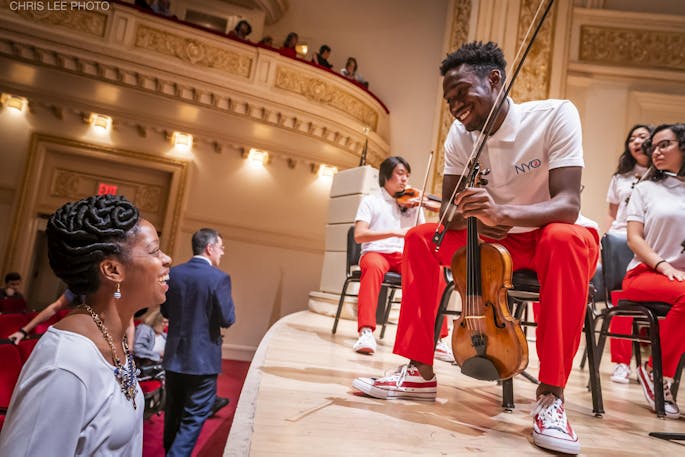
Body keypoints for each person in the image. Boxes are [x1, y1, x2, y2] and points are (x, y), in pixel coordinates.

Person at [352, 41, 599, 455]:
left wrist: (503, 213)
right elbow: (448, 213)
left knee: (565, 238)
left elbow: (568, 205)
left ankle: (551, 396)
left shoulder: (556, 115)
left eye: (462, 93)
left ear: (494, 79)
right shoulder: (461, 136)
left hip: (545, 236)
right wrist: (475, 214)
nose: (455, 106)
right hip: (490, 236)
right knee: (419, 239)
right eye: (449, 100)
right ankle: (418, 370)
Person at [0, 194, 172, 455]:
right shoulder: (66, 363)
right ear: (112, 270)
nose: (167, 259)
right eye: (154, 251)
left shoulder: (112, 338)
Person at [351, 157, 452, 359]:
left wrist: (425, 205)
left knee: (438, 274)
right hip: (377, 252)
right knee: (372, 266)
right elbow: (359, 235)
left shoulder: (411, 202)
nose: (405, 179)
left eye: (407, 174)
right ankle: (366, 332)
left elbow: (421, 232)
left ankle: (437, 339)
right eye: (400, 173)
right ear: (386, 176)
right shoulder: (371, 201)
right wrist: (395, 232)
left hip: (403, 256)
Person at [622, 123, 685, 419]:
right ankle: (655, 372)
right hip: (645, 274)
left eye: (664, 145)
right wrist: (662, 265)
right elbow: (634, 238)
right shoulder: (645, 188)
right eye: (654, 147)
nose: (656, 151)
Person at [162, 228, 236, 456]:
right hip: (203, 361)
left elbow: (165, 310)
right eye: (221, 248)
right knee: (194, 417)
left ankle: (169, 452)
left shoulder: (174, 274)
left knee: (173, 413)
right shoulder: (219, 278)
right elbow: (227, 319)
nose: (222, 253)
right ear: (210, 248)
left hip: (174, 357)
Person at [604, 124, 652, 384]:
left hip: (650, 244)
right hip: (622, 240)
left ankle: (652, 364)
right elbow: (613, 213)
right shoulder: (620, 177)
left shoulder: (664, 177)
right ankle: (621, 363)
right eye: (632, 137)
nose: (637, 141)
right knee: (621, 299)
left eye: (643, 137)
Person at [8, 289, 137, 345]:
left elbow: (129, 323)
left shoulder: (118, 287)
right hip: (87, 336)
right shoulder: (82, 284)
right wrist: (23, 331)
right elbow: (55, 307)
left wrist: (130, 351)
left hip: (111, 341)